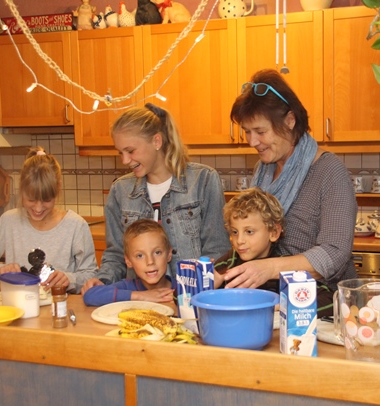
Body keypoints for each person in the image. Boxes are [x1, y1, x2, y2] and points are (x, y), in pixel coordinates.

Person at [223, 69, 358, 316]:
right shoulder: (263, 170)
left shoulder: (329, 172)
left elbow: (335, 252)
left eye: (261, 132)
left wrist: (269, 268)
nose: (252, 142)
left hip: (324, 308)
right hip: (276, 303)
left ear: (290, 120)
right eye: (247, 131)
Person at [81, 103, 230, 294]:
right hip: (141, 303)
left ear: (157, 141)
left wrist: (187, 296)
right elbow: (117, 255)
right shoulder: (120, 190)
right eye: (120, 153)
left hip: (192, 304)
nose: (125, 160)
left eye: (131, 151)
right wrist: (102, 281)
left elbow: (218, 253)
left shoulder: (204, 180)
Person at [0, 147, 98, 294]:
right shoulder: (9, 221)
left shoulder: (75, 225)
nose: (38, 208)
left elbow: (91, 276)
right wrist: (0, 271)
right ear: (21, 191)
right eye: (31, 200)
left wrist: (69, 279)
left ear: (58, 191)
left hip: (59, 308)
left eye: (46, 200)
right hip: (18, 307)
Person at [82, 219, 174, 306]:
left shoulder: (183, 288)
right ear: (128, 261)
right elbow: (90, 295)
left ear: (169, 254)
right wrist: (142, 296)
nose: (150, 261)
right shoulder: (126, 286)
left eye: (157, 252)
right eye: (140, 256)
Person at [214, 187, 284, 292]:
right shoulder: (229, 260)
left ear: (274, 232)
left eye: (249, 232)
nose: (239, 241)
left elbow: (313, 300)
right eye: (235, 232)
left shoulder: (284, 267)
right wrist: (207, 284)